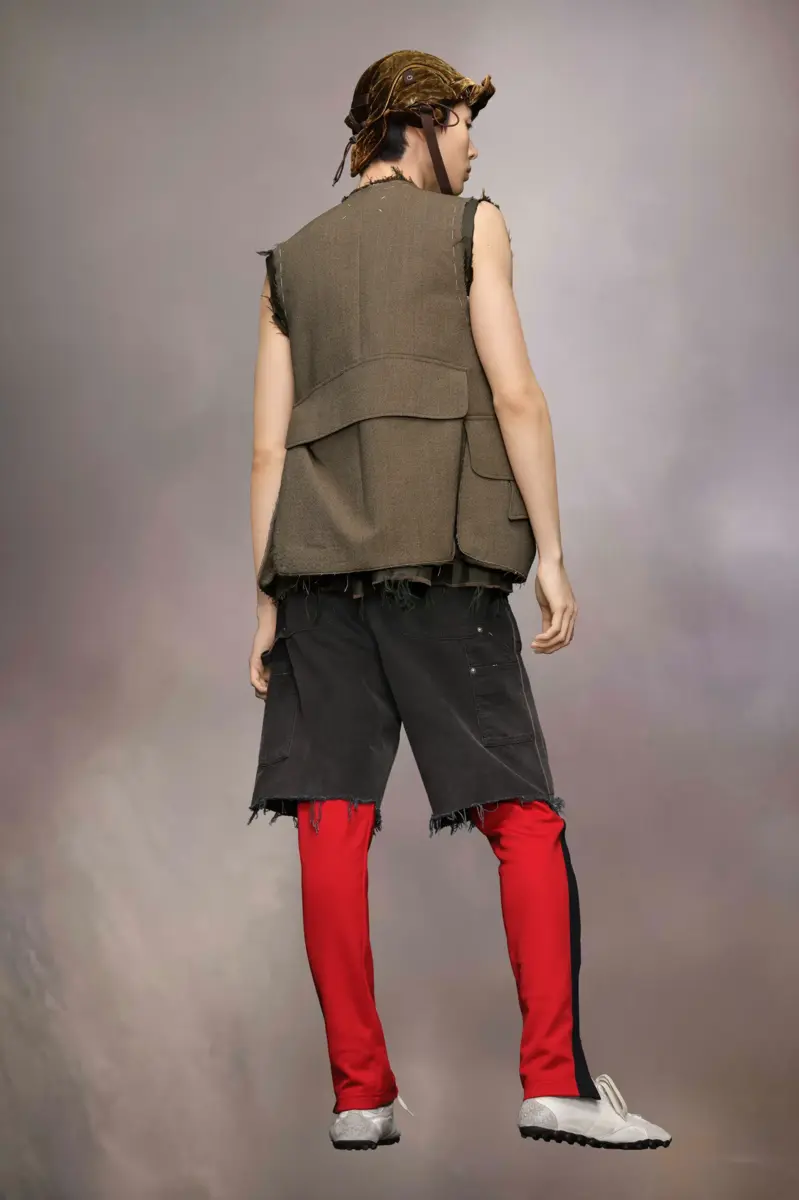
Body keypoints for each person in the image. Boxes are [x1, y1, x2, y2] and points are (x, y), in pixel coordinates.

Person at [247, 49, 671, 1153]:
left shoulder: (288, 264)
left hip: (316, 585)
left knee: (329, 826)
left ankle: (358, 1097)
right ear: (421, 123)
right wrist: (554, 554)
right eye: (466, 122)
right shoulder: (470, 228)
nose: (476, 145)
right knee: (522, 815)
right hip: (440, 568)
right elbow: (517, 395)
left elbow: (266, 450)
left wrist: (266, 604)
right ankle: (554, 1084)